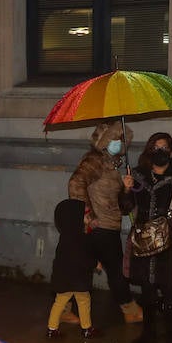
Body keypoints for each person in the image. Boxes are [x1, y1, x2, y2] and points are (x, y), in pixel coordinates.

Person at [120, 132, 172, 343]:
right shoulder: (136, 176)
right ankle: (149, 332)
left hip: (170, 244)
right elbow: (125, 207)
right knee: (146, 291)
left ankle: (171, 338)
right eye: (155, 147)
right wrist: (126, 188)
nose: (160, 151)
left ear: (171, 152)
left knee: (169, 291)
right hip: (143, 242)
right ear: (148, 151)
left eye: (164, 147)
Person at [67, 121, 142, 325]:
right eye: (115, 139)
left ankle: (65, 307)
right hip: (98, 227)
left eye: (121, 140)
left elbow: (124, 207)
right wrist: (87, 214)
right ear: (106, 140)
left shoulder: (114, 164)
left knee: (84, 268)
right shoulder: (95, 160)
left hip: (109, 225)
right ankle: (130, 309)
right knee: (113, 269)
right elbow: (75, 183)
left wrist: (126, 189)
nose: (119, 143)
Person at [47, 198, 97, 339]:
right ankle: (86, 328)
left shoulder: (66, 237)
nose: (88, 219)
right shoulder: (78, 238)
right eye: (86, 217)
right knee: (84, 301)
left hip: (65, 278)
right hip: (77, 279)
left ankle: (52, 328)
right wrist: (94, 263)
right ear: (75, 219)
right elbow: (82, 257)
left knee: (59, 302)